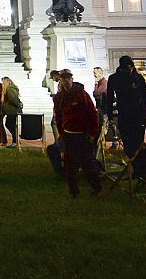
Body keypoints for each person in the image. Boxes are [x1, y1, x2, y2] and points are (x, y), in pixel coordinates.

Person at [47, 69, 103, 197]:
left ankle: (97, 188)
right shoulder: (59, 98)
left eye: (68, 78)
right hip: (69, 134)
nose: (66, 81)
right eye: (63, 79)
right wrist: (62, 132)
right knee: (70, 165)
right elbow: (59, 117)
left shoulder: (81, 94)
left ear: (72, 79)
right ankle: (73, 191)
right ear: (60, 80)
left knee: (87, 162)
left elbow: (93, 113)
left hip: (83, 134)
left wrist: (92, 132)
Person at [104, 55, 146, 156]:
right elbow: (110, 98)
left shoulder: (138, 77)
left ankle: (138, 163)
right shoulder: (114, 78)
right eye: (127, 69)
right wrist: (110, 115)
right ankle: (132, 162)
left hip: (139, 114)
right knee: (128, 141)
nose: (129, 71)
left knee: (138, 142)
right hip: (125, 114)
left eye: (131, 68)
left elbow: (145, 96)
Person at [1, 76, 23, 148]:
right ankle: (15, 140)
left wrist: (19, 106)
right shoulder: (11, 88)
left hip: (12, 111)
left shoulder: (10, 89)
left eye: (3, 83)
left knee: (9, 125)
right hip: (11, 110)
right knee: (11, 125)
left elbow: (13, 99)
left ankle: (15, 140)